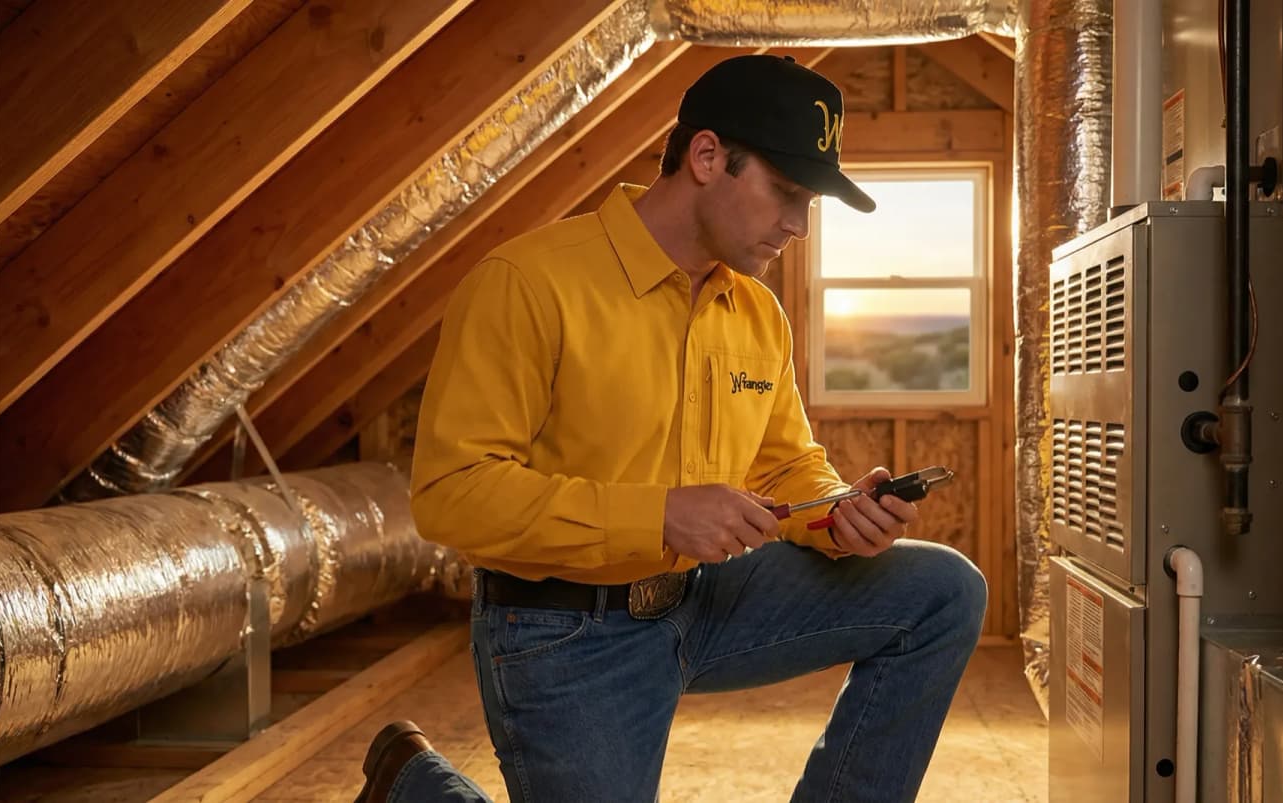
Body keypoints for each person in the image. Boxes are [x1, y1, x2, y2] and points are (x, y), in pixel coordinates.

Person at [356, 54, 988, 803]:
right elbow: (451, 495)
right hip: (564, 627)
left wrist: (838, 511)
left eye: (810, 201)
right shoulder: (528, 284)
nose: (798, 224)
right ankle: (413, 785)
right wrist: (658, 512)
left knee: (942, 591)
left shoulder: (755, 312)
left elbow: (786, 467)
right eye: (787, 191)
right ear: (708, 155)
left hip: (705, 599)